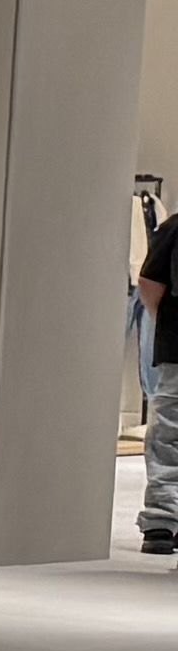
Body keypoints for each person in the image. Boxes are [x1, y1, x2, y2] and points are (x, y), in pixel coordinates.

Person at [137, 186, 178, 556]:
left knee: (168, 437)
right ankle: (163, 522)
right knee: (168, 436)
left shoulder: (174, 228)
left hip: (177, 349)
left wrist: (166, 320)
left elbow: (150, 285)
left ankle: (163, 523)